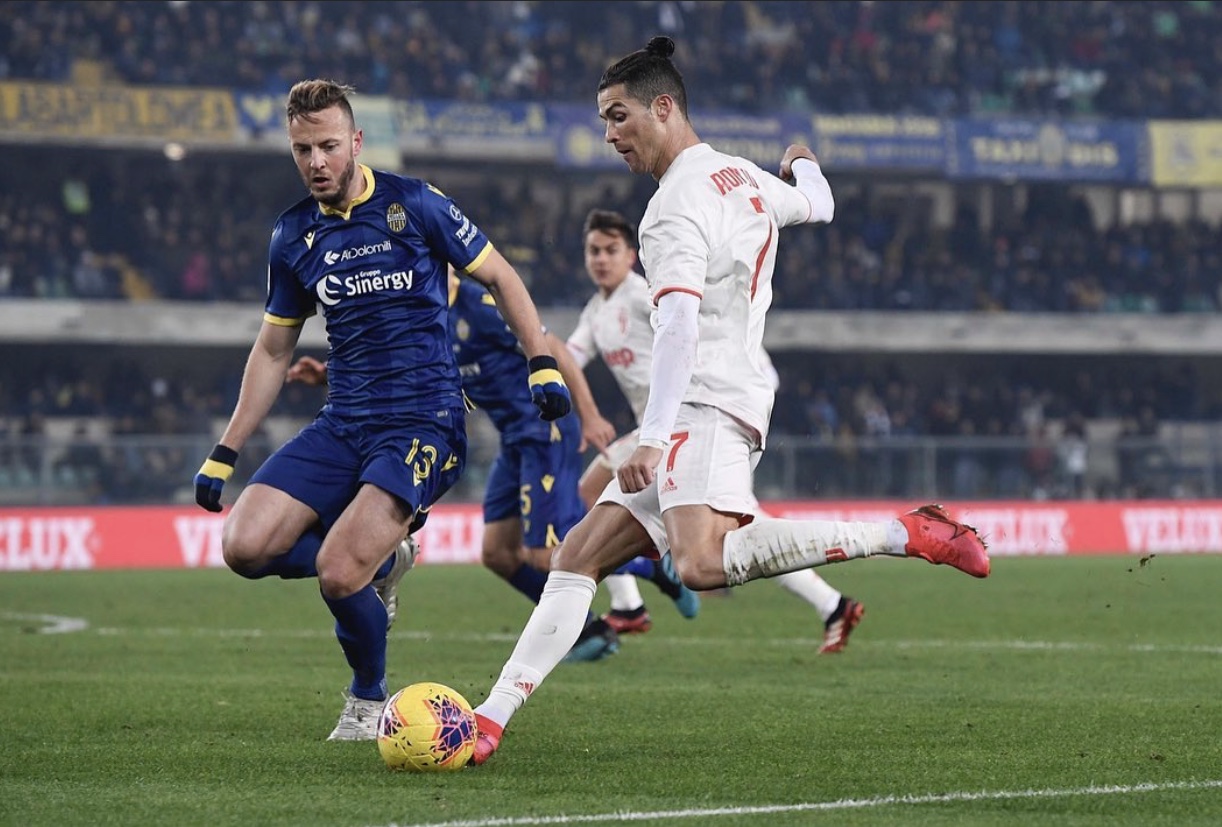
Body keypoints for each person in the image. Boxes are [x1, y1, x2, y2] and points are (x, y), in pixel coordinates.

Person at [468, 37, 989, 766]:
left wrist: (650, 436)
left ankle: (905, 531)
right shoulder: (740, 177)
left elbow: (676, 321)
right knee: (578, 555)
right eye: (602, 121)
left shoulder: (670, 208)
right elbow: (819, 203)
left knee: (703, 566)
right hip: (727, 394)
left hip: (702, 404)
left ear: (663, 106)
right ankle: (489, 720)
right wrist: (801, 155)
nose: (610, 134)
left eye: (618, 117)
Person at [191, 79, 571, 742]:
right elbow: (276, 347)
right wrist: (226, 449)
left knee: (339, 573)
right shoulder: (292, 235)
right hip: (344, 420)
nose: (315, 162)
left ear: (356, 143)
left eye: (328, 146)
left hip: (424, 421)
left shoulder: (413, 203)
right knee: (243, 546)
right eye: (302, 149)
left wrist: (540, 359)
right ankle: (385, 561)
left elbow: (501, 277)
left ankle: (367, 701)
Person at [286, 269, 699, 663]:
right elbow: (391, 372)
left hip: (545, 432)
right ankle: (588, 630)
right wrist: (325, 375)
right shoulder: (420, 315)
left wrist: (589, 415)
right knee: (497, 553)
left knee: (543, 555)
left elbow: (552, 350)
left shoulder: (481, 305)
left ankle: (654, 568)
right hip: (514, 439)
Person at [570, 208, 862, 651]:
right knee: (736, 522)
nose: (601, 259)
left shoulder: (642, 295)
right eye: (594, 250)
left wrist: (750, 376)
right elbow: (568, 357)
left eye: (612, 250)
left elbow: (702, 323)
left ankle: (633, 602)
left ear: (632, 256)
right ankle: (830, 603)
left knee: (603, 489)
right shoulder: (596, 311)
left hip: (692, 417)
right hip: (660, 431)